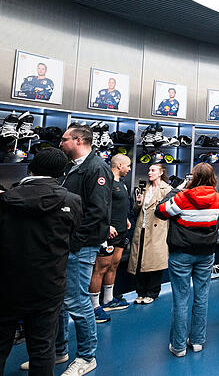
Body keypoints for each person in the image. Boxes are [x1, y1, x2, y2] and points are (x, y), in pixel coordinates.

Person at [0, 148, 81, 376]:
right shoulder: (72, 201)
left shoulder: (2, 200)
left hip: (2, 287)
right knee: (42, 350)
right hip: (47, 287)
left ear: (31, 168)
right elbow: (75, 240)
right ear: (61, 173)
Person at [44, 124, 112, 376]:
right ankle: (59, 349)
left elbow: (97, 212)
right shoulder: (73, 167)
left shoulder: (96, 168)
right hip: (66, 243)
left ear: (79, 140)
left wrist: (76, 241)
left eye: (64, 139)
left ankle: (87, 356)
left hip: (80, 245)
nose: (60, 143)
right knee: (60, 300)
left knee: (77, 299)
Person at [155, 163, 219, 358]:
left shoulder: (182, 197)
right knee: (202, 297)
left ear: (193, 177)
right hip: (206, 253)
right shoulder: (218, 198)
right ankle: (198, 341)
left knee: (181, 299)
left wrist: (177, 190)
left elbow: (160, 212)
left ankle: (178, 346)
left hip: (182, 253)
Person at [89, 154, 133, 324]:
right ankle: (93, 307)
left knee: (114, 265)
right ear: (119, 165)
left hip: (122, 230)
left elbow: (120, 205)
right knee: (101, 268)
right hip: (108, 233)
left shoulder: (121, 183)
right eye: (127, 166)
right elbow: (99, 206)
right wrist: (106, 225)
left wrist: (126, 219)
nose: (129, 169)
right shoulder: (106, 182)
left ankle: (108, 300)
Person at [127, 164, 171, 304]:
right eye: (149, 170)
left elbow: (170, 212)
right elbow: (136, 211)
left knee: (154, 263)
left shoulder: (167, 190)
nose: (149, 172)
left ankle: (152, 293)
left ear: (160, 172)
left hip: (157, 231)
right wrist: (138, 203)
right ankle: (140, 292)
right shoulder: (144, 188)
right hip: (142, 228)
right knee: (139, 262)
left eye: (153, 170)